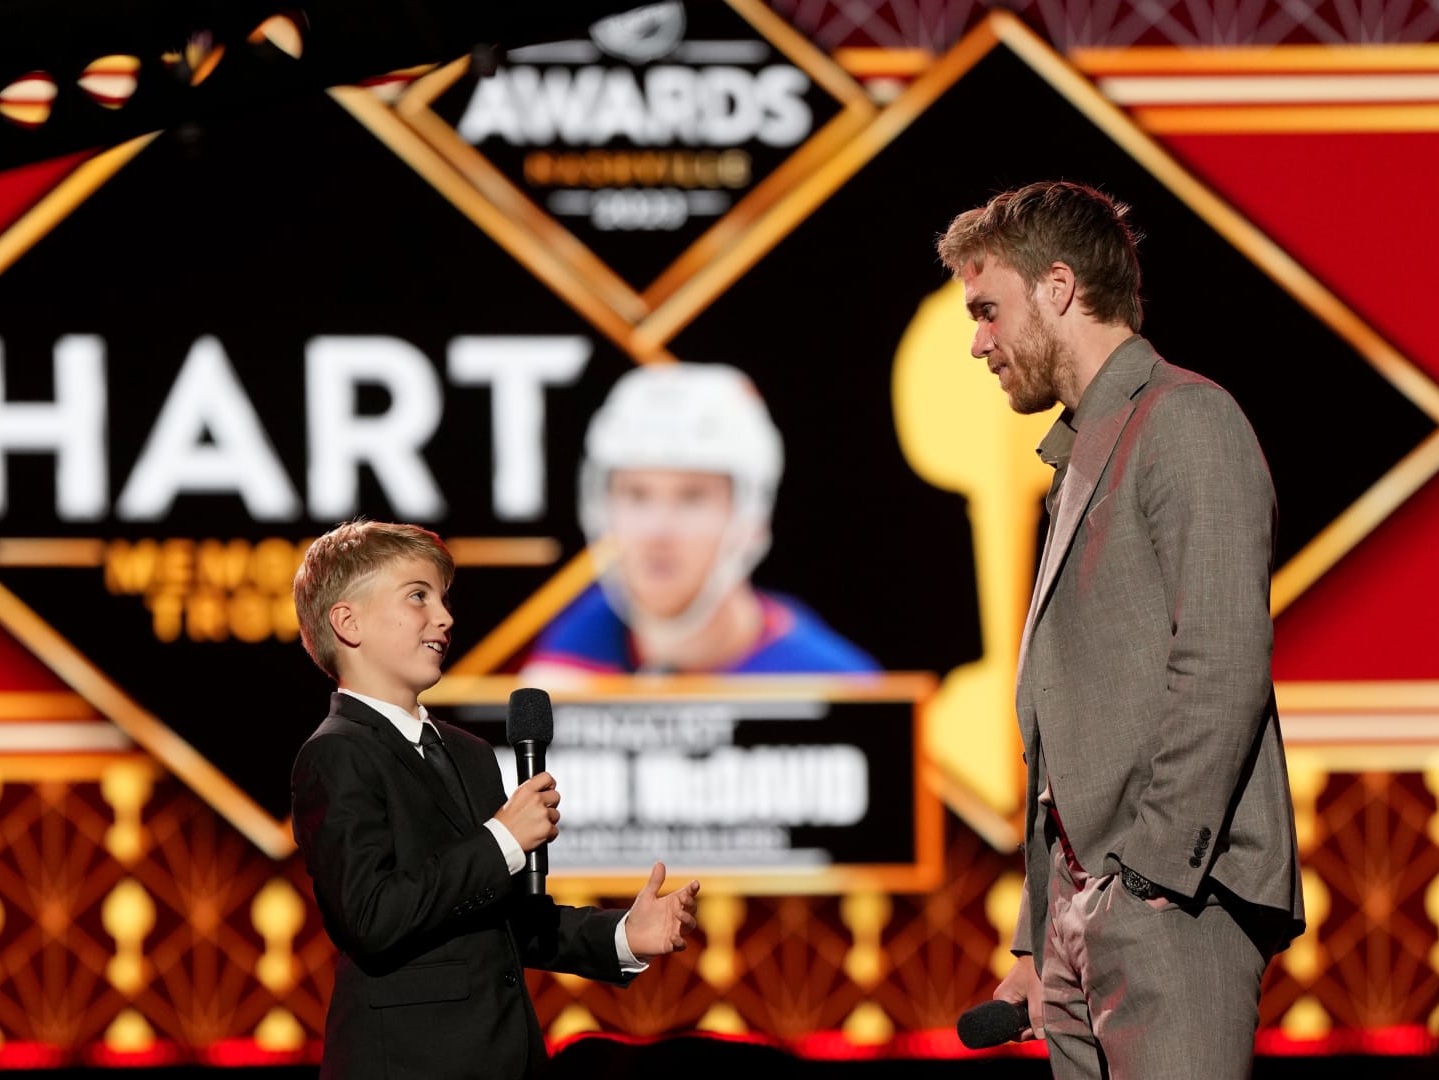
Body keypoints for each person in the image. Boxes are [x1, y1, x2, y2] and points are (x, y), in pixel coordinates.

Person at [937, 181, 1304, 1077]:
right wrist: (1039, 939)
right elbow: (1067, 724)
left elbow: (1222, 668)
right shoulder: (1079, 452)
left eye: (989, 310)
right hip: (1085, 920)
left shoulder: (1185, 420)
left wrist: (1146, 884)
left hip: (1176, 906)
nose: (978, 341)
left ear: (1059, 289)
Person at [289, 519, 701, 1080]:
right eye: (418, 597)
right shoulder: (337, 755)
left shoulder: (469, 754)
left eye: (444, 599)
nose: (445, 618)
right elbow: (372, 916)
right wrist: (503, 838)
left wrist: (624, 935)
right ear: (348, 621)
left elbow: (504, 920)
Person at [522, 362, 878, 676]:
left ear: (750, 515)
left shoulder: (832, 685)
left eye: (692, 497)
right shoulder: (575, 640)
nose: (656, 530)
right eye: (636, 494)